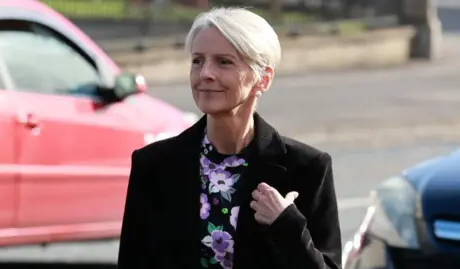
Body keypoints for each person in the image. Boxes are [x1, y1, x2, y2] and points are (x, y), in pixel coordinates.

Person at [117, 7, 342, 269]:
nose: (205, 74)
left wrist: (287, 224)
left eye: (224, 62)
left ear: (263, 79)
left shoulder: (307, 168)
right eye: (197, 61)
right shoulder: (154, 165)